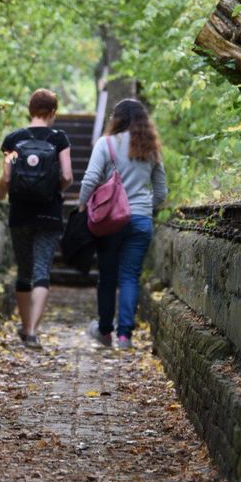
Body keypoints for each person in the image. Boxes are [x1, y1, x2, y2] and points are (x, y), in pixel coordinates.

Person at [77, 98, 167, 350]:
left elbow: (91, 178)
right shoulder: (150, 148)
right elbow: (161, 190)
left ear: (116, 119)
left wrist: (83, 205)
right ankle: (125, 336)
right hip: (140, 220)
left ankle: (105, 331)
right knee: (130, 277)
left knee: (107, 276)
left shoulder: (106, 144)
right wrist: (145, 206)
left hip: (110, 221)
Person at [0, 89, 73, 348]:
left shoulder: (12, 139)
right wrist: (54, 192)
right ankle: (31, 331)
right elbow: (67, 177)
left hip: (19, 212)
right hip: (48, 212)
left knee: (24, 271)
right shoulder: (59, 138)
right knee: (42, 270)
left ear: (30, 110)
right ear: (53, 112)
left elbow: (7, 178)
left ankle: (25, 324)